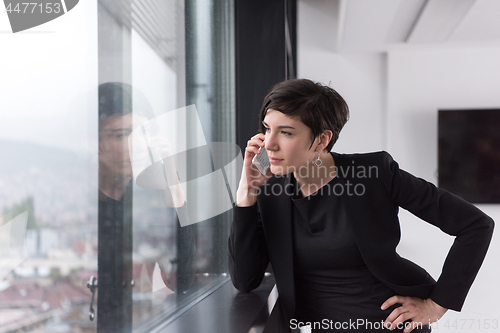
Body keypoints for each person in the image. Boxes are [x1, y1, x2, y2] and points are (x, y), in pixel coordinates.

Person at [228, 79, 494, 333]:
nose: (269, 144)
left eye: (285, 132)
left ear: (322, 140)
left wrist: (437, 305)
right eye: (266, 128)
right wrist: (246, 192)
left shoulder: (374, 173)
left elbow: (475, 224)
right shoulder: (270, 191)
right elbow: (245, 280)